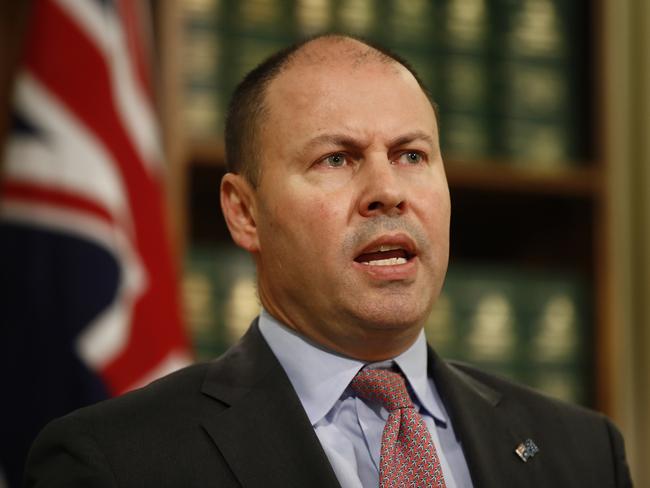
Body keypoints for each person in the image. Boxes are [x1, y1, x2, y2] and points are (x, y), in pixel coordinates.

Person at [25, 35, 632, 488]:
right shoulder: (115, 462)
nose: (387, 190)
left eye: (412, 155)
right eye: (336, 159)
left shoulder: (581, 453)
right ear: (245, 213)